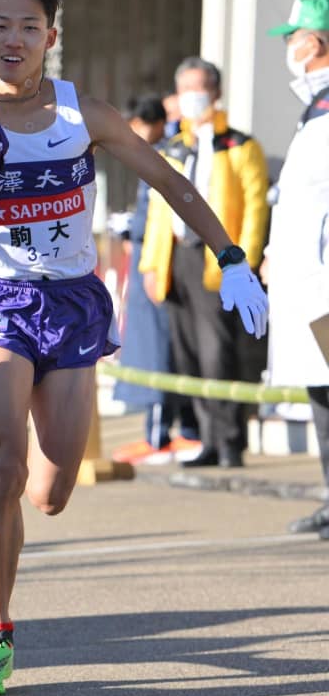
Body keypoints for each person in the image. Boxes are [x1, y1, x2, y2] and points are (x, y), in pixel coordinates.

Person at [0, 0, 268, 696]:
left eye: (28, 26)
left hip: (72, 305)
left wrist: (232, 256)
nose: (13, 39)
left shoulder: (84, 114)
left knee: (50, 490)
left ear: (51, 36)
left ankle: (16, 494)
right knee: (3, 465)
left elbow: (170, 179)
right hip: (2, 303)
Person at [140, 56, 269, 469]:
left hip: (218, 259)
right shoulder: (173, 147)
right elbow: (158, 210)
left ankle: (229, 441)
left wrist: (241, 261)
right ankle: (206, 439)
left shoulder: (240, 146)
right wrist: (150, 264)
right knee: (188, 352)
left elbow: (253, 210)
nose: (192, 98)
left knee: (218, 351)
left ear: (216, 92)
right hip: (176, 256)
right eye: (185, 90)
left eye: (200, 89)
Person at [263, 0, 329, 539]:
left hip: (324, 279)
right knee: (321, 390)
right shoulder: (315, 108)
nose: (289, 47)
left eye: (295, 38)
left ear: (318, 42)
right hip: (308, 280)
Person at [111, 96, 200, 464]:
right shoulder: (160, 152)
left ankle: (160, 435)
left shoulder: (166, 153)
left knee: (159, 353)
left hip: (159, 265)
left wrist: (132, 229)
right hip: (153, 262)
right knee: (160, 349)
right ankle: (173, 432)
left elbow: (160, 217)